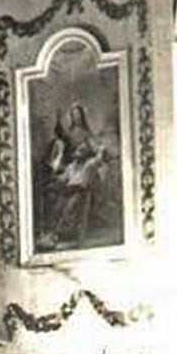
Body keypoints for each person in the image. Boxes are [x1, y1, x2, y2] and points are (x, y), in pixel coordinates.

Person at [39, 104, 110, 249]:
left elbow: (98, 153)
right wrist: (54, 180)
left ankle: (56, 234)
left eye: (78, 114)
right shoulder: (72, 162)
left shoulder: (88, 156)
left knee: (70, 204)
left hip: (81, 187)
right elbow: (64, 171)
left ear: (82, 116)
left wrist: (100, 152)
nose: (75, 117)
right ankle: (49, 233)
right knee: (55, 199)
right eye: (73, 115)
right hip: (70, 182)